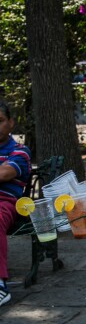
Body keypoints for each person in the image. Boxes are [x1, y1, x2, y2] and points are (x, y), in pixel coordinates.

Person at [0, 100, 31, 307]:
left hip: (6, 203)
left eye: (0, 121)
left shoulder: (19, 151)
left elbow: (4, 173)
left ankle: (0, 286)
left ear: (11, 123)